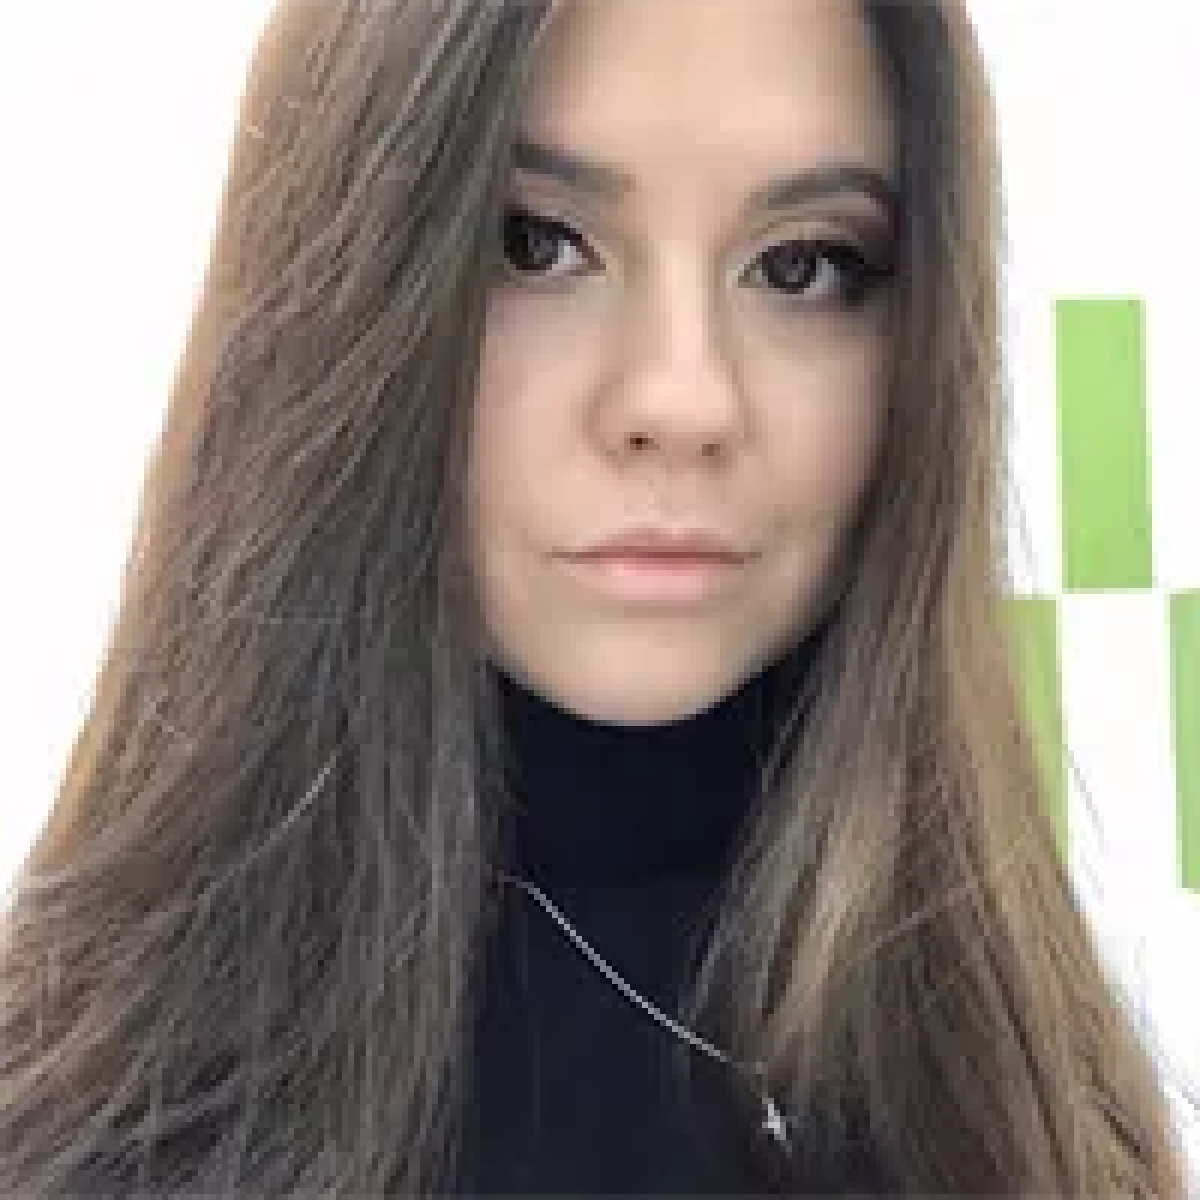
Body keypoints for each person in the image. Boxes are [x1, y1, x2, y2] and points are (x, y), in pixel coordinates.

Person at [0, 0, 1190, 1195]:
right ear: (341, 290)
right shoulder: (76, 1130)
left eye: (803, 265)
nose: (682, 399)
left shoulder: (1034, 1115)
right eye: (536, 244)